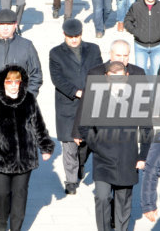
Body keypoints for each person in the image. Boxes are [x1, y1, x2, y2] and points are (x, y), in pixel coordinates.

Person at [73, 61, 150, 231]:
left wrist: (143, 155)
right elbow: (84, 126)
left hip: (127, 158)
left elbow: (146, 128)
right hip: (103, 159)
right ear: (107, 77)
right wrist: (97, 144)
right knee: (101, 197)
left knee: (123, 204)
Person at [0, 65, 54, 231]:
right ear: (3, 82)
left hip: (25, 157)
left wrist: (45, 146)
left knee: (20, 195)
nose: (13, 84)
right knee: (1, 194)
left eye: (16, 81)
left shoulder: (29, 99)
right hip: (1, 157)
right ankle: (3, 220)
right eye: (9, 81)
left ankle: (15, 228)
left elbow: (38, 124)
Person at [49, 19, 103, 194]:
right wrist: (76, 91)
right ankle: (70, 181)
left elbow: (100, 71)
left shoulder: (93, 49)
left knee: (86, 143)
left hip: (90, 102)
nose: (73, 39)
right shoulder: (56, 53)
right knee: (69, 143)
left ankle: (81, 165)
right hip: (68, 103)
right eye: (70, 36)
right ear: (64, 35)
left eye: (77, 36)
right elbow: (57, 78)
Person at [0, 8, 43, 96]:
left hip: (19, 99)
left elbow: (36, 74)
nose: (5, 28)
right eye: (2, 24)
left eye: (9, 24)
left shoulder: (27, 46)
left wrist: (27, 99)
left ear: (15, 25)